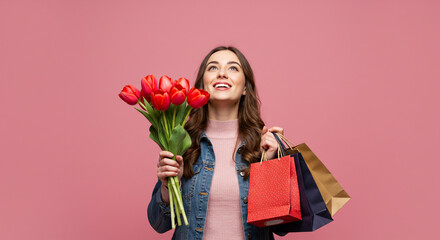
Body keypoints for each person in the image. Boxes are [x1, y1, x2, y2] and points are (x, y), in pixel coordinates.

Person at [147, 46, 287, 240]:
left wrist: (272, 166)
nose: (222, 73)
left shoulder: (265, 144)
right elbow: (159, 224)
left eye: (233, 68)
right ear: (202, 86)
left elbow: (282, 227)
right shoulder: (180, 142)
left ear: (245, 87)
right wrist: (168, 185)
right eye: (213, 68)